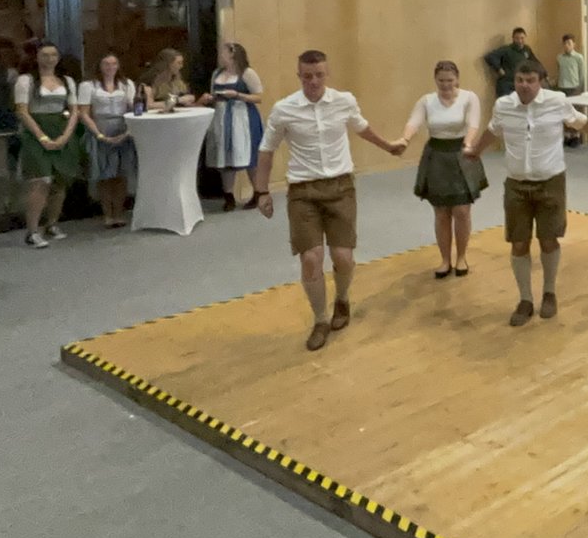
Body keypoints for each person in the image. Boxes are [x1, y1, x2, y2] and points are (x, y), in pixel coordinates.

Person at [252, 50, 394, 352]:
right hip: (303, 192)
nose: (313, 81)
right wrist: (261, 191)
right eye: (307, 76)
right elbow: (267, 149)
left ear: (326, 74)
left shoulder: (344, 101)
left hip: (341, 188)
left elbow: (362, 128)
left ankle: (342, 299)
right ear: (299, 76)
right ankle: (320, 319)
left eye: (319, 75)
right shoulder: (284, 109)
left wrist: (389, 146)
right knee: (311, 258)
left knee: (343, 257)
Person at [473, 60, 588, 326]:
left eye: (530, 80)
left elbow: (580, 122)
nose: (524, 85)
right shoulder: (504, 105)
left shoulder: (556, 101)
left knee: (548, 239)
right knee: (518, 243)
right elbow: (492, 131)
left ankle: (549, 292)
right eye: (519, 80)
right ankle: (525, 299)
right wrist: (475, 151)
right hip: (516, 184)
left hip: (550, 182)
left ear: (541, 82)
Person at [391, 61, 487, 279]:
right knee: (441, 212)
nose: (446, 85)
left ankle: (461, 257)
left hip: (461, 153)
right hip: (436, 156)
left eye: (450, 80)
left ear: (457, 79)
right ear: (435, 80)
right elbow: (414, 123)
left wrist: (468, 143)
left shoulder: (469, 98)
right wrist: (405, 139)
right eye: (441, 80)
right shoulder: (426, 101)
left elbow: (473, 124)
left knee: (462, 211)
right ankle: (445, 259)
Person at [14, 41, 82, 248]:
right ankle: (32, 231)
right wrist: (42, 137)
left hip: (61, 129)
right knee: (41, 180)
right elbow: (22, 111)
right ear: (36, 57)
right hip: (36, 131)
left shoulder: (67, 81)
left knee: (60, 180)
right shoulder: (26, 81)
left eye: (53, 55)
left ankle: (52, 224)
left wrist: (66, 136)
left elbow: (74, 110)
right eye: (45, 55)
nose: (49, 59)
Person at [77, 52, 137, 229]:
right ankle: (107, 214)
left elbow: (133, 108)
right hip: (99, 129)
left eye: (114, 64)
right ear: (99, 65)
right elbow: (84, 113)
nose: (110, 67)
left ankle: (119, 213)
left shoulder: (126, 84)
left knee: (121, 174)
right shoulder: (88, 85)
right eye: (106, 64)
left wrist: (127, 132)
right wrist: (99, 134)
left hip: (123, 129)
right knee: (104, 175)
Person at [204, 42, 265, 211]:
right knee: (225, 156)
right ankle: (228, 195)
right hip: (222, 117)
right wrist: (211, 98)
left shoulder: (247, 73)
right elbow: (214, 93)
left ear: (232, 54)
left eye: (223, 52)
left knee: (249, 155)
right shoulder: (217, 73)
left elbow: (258, 97)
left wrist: (237, 95)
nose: (221, 56)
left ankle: (257, 192)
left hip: (242, 117)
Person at [484, 28, 540, 99]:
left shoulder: (527, 49)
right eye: (517, 38)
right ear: (513, 38)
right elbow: (490, 56)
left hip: (520, 84)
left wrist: (544, 74)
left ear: (525, 37)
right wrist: (499, 69)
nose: (520, 41)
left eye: (522, 38)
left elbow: (535, 61)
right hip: (507, 84)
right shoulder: (507, 49)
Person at [555, 34, 588, 147]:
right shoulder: (559, 57)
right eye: (565, 43)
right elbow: (559, 72)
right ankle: (567, 136)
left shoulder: (579, 57)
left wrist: (580, 89)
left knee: (575, 113)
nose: (567, 45)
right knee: (564, 113)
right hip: (562, 87)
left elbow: (582, 75)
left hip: (574, 87)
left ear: (574, 44)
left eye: (569, 43)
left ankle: (575, 136)